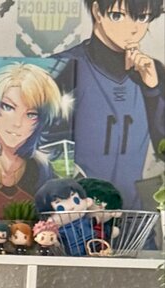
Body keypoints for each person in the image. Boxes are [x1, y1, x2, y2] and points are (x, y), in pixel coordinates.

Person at [57, 0, 165, 209]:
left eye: (142, 18)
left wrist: (152, 90)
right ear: (97, 11)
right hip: (76, 213)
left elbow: (163, 146)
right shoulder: (65, 67)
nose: (133, 29)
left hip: (133, 215)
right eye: (118, 16)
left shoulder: (154, 72)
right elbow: (45, 150)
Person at [0, 62, 66, 217]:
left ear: (40, 122)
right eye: (8, 107)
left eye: (31, 114)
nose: (17, 123)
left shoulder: (41, 170)